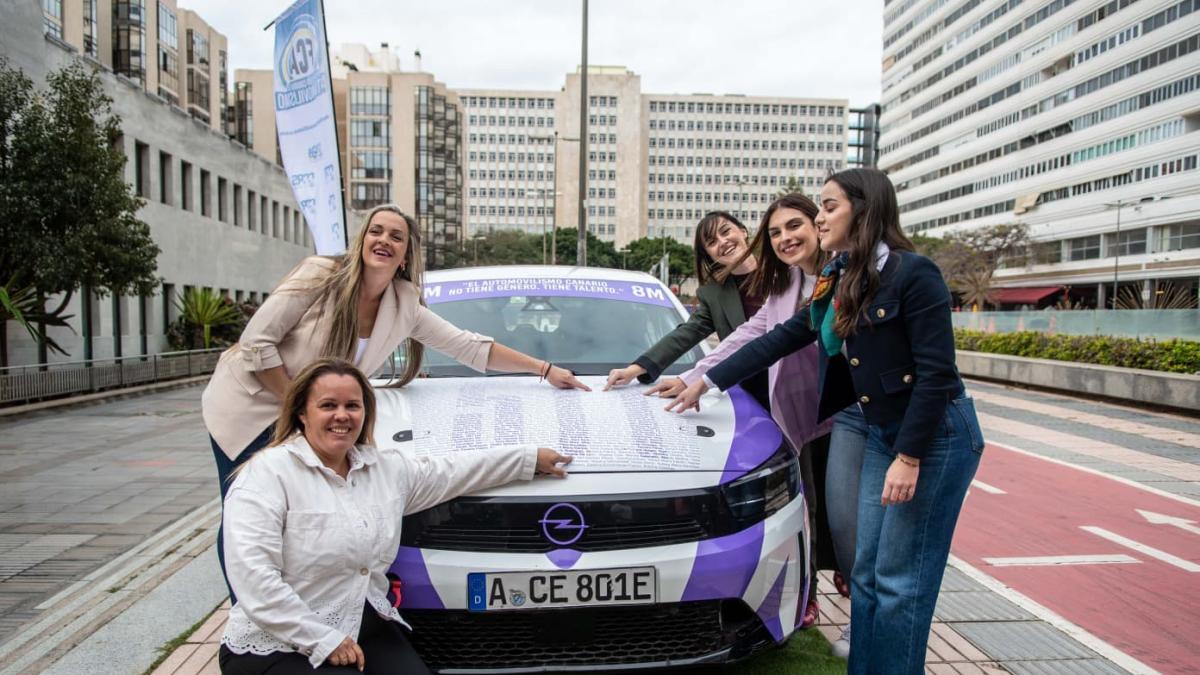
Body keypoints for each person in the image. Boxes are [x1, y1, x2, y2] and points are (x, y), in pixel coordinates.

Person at [668, 168, 983, 674]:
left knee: (900, 584)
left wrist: (909, 456)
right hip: (869, 425)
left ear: (865, 209)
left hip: (931, 437)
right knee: (867, 577)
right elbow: (783, 335)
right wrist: (706, 380)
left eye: (829, 206)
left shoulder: (912, 273)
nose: (821, 216)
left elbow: (937, 376)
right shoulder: (838, 276)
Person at [203, 204, 588, 595]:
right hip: (251, 406)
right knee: (247, 516)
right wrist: (300, 413)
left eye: (395, 236)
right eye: (376, 231)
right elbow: (256, 342)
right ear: (362, 239)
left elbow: (469, 347)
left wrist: (543, 368)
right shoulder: (320, 275)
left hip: (312, 418)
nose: (383, 240)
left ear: (406, 255)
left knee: (302, 516)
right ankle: (247, 612)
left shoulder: (404, 303)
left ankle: (304, 606)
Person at [219, 358, 573, 674]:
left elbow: (451, 471)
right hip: (280, 641)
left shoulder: (383, 469)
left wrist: (528, 459)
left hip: (363, 623)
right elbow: (254, 580)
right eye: (328, 405)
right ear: (301, 413)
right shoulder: (268, 474)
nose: (342, 415)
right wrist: (323, 640)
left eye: (352, 406)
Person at [670, 194, 863, 637]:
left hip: (848, 408)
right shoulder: (777, 285)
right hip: (784, 411)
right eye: (775, 232)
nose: (784, 238)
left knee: (849, 511)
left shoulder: (841, 273)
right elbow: (751, 337)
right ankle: (827, 588)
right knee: (815, 503)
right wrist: (697, 377)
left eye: (793, 227)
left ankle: (854, 584)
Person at [605, 210, 770, 410]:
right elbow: (685, 334)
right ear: (709, 255)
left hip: (801, 382)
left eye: (726, 232)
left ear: (743, 231)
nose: (723, 242)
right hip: (753, 393)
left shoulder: (784, 271)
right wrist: (635, 369)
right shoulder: (714, 294)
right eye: (712, 242)